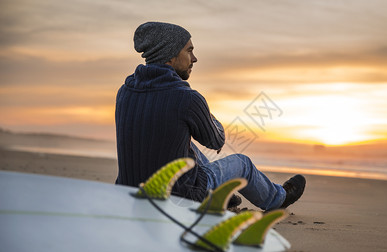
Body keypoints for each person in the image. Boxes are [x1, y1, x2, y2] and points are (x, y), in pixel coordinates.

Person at [115, 21, 306, 210]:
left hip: (130, 194)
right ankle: (278, 198)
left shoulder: (124, 91)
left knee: (184, 144)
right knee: (243, 163)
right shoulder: (187, 98)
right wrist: (206, 113)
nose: (194, 58)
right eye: (189, 51)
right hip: (178, 197)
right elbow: (216, 141)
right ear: (170, 56)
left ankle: (218, 195)